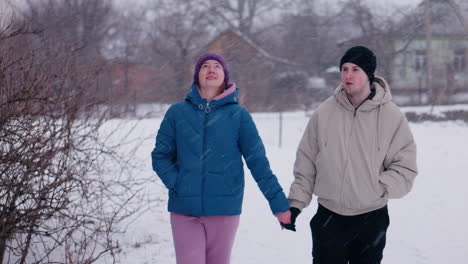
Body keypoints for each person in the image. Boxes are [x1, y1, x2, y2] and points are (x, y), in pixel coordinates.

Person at [151, 52, 291, 264]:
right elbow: (160, 156)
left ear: (224, 76)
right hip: (184, 210)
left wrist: (279, 205)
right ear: (197, 75)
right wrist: (178, 183)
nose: (210, 69)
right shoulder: (177, 113)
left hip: (224, 210)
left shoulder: (239, 116)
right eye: (204, 66)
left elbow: (259, 164)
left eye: (217, 66)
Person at [282, 46, 418, 263]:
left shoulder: (391, 116)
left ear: (369, 74)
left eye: (355, 69)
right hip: (329, 217)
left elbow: (405, 167)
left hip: (371, 220)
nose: (348, 75)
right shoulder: (324, 113)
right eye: (344, 69)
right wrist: (296, 203)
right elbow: (306, 162)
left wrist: (376, 187)